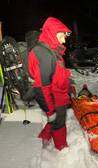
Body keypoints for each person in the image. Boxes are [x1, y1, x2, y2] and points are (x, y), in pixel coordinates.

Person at [28, 17, 72, 151]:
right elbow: (41, 88)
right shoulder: (46, 54)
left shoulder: (52, 50)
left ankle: (45, 136)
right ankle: (62, 148)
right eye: (61, 36)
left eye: (65, 36)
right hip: (54, 99)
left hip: (59, 95)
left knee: (55, 120)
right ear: (52, 33)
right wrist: (50, 110)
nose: (64, 40)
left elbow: (56, 74)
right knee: (59, 123)